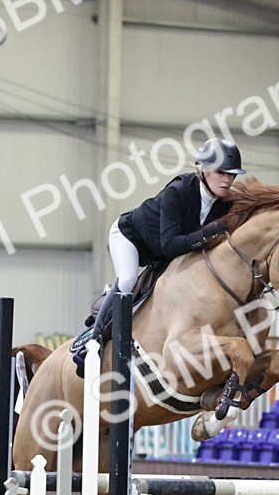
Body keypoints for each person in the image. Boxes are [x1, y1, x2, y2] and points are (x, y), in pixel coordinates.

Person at [70, 138, 246, 372]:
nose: (227, 180)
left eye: (231, 174)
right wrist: (211, 232)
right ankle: (94, 342)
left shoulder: (225, 204)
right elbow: (170, 246)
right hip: (130, 238)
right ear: (202, 170)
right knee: (127, 280)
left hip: (162, 254)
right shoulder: (179, 191)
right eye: (221, 172)